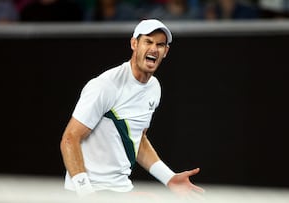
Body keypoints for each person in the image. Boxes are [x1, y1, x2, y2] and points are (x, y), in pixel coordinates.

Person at [59, 19, 205, 198]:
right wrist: (86, 193)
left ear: (165, 52)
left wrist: (168, 178)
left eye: (160, 45)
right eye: (148, 42)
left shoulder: (154, 88)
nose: (154, 49)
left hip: (120, 189)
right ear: (134, 44)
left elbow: (137, 139)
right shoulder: (105, 86)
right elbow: (70, 139)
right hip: (88, 191)